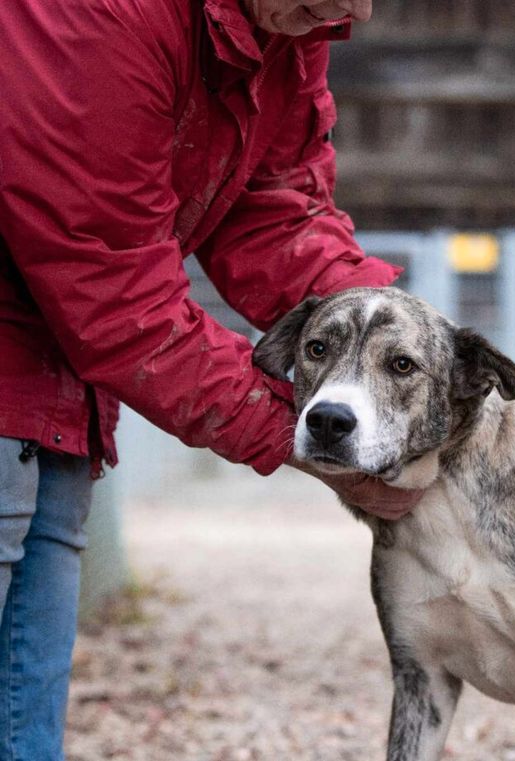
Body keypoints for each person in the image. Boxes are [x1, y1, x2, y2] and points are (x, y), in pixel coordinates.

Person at [0, 0, 419, 757]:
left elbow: (274, 210)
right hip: (20, 363)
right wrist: (300, 432)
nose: (351, 9)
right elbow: (113, 285)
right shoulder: (103, 17)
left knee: (26, 711)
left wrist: (397, 341)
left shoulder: (287, 30)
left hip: (57, 392)